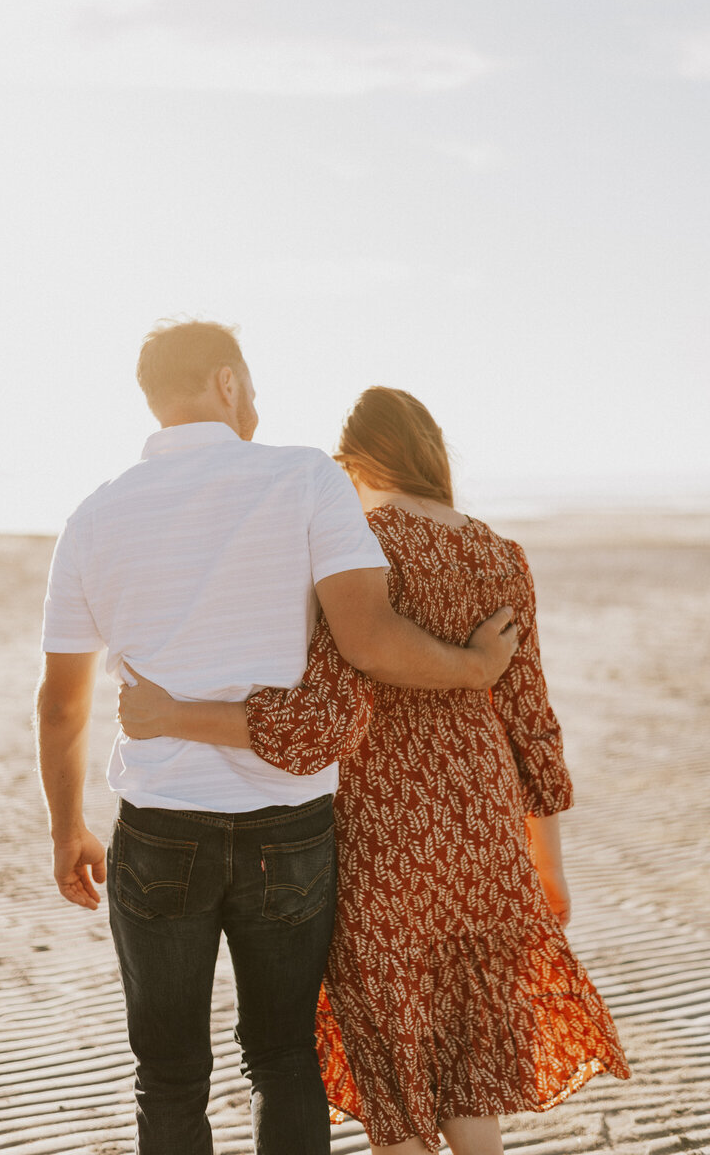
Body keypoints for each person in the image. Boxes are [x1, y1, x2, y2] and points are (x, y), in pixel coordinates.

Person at [35, 324, 519, 1155]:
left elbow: (62, 705)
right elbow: (369, 641)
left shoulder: (93, 515)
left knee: (170, 1075)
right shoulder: (303, 478)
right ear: (226, 382)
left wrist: (66, 829)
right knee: (284, 1057)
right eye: (250, 385)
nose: (256, 402)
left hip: (160, 827)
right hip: (289, 826)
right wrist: (474, 669)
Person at [118, 386, 631, 1155]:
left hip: (385, 833)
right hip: (483, 828)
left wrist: (170, 716)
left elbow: (317, 721)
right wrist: (545, 861)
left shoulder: (356, 547)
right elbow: (532, 720)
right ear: (430, 454)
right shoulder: (500, 553)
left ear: (354, 462)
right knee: (466, 1050)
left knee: (390, 1044)